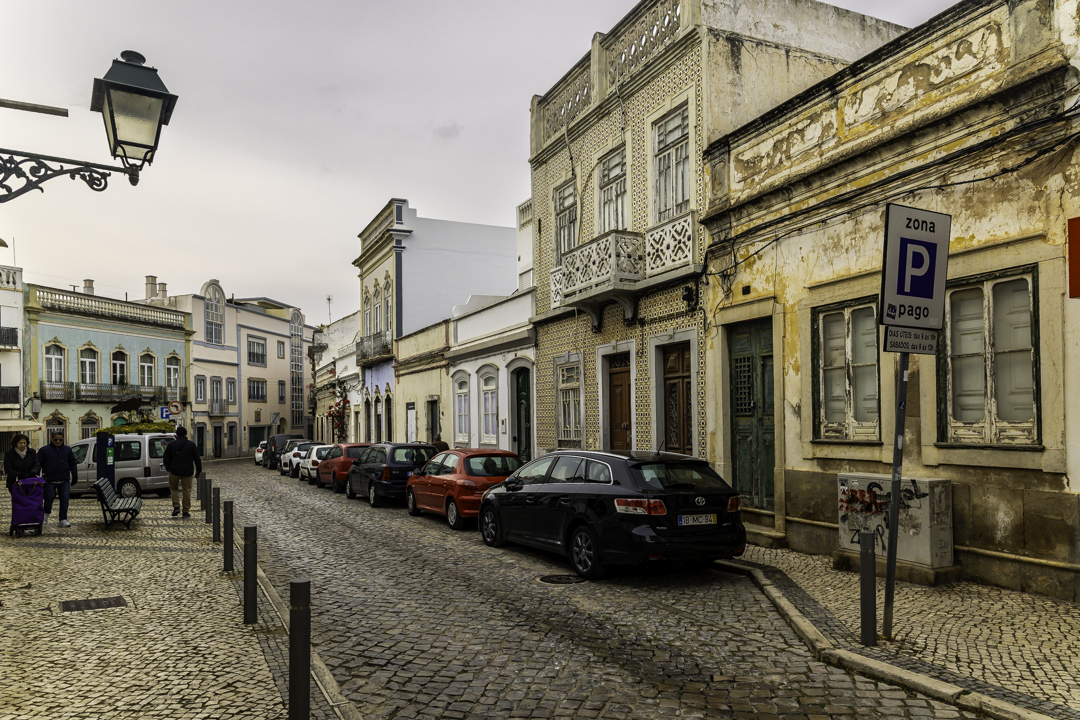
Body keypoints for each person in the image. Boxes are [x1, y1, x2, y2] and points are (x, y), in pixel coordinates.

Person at [37, 431, 78, 528]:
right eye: (56, 439)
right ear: (51, 439)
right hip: (49, 479)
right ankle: (45, 516)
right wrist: (37, 477)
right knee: (49, 498)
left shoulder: (68, 450)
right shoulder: (44, 450)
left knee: (64, 500)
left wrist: (75, 475)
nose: (58, 441)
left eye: (60, 440)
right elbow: (38, 464)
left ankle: (62, 519)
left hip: (64, 479)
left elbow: (73, 463)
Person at [163, 427, 202, 518]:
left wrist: (168, 468)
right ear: (186, 434)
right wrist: (198, 471)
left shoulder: (171, 444)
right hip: (187, 471)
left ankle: (176, 506)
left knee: (173, 489)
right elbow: (197, 459)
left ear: (176, 434)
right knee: (187, 490)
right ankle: (185, 511)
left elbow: (166, 458)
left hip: (174, 471)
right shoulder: (191, 445)